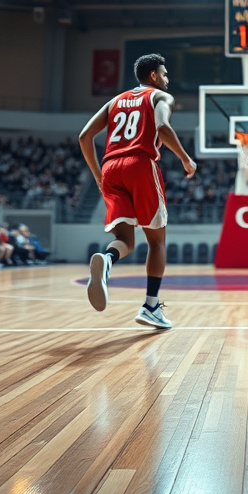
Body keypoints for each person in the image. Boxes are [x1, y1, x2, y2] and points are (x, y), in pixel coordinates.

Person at [79, 52, 197, 329]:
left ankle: (107, 260)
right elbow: (162, 127)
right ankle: (151, 306)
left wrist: (97, 174)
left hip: (110, 168)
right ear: (154, 76)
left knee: (126, 241)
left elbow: (85, 136)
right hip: (139, 164)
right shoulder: (159, 97)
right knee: (156, 241)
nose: (168, 79)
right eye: (165, 74)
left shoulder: (114, 101)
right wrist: (185, 158)